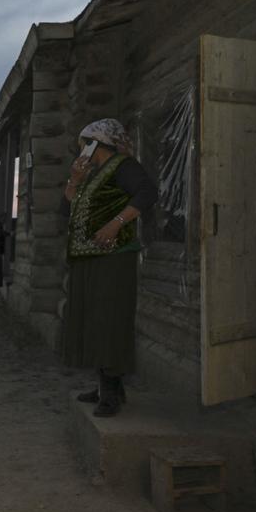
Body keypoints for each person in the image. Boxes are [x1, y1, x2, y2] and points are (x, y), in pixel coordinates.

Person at [60, 119, 157, 417]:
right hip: (89, 258)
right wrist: (74, 180)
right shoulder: (92, 174)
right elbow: (67, 209)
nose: (81, 151)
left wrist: (116, 223)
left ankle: (112, 393)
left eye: (84, 144)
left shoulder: (124, 166)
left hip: (114, 257)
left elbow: (147, 193)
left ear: (96, 142)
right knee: (93, 320)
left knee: (109, 319)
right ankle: (106, 385)